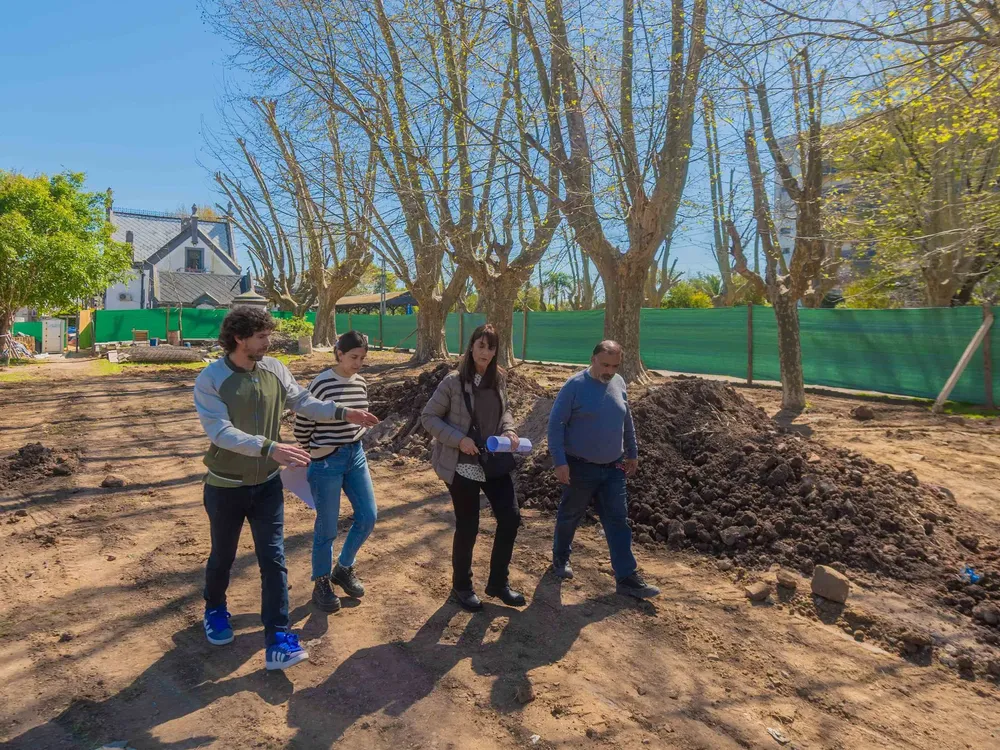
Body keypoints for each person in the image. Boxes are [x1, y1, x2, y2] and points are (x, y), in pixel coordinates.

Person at [193, 307, 379, 670]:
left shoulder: (275, 369)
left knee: (273, 558)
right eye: (261, 336)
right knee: (223, 555)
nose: (268, 342)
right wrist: (270, 447)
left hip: (266, 485)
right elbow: (219, 431)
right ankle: (215, 609)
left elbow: (303, 401)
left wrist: (343, 412)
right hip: (226, 485)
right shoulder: (211, 378)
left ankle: (278, 637)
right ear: (239, 338)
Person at [420, 324, 525, 611]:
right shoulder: (453, 381)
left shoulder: (498, 378)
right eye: (480, 345)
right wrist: (460, 440)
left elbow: (505, 413)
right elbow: (429, 417)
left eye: (491, 347)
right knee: (469, 526)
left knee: (511, 518)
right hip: (462, 463)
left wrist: (510, 431)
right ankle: (462, 587)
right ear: (471, 346)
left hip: (492, 461)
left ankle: (498, 584)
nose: (485, 352)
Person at [547, 340, 660, 599]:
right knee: (570, 515)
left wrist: (632, 452)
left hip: (614, 468)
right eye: (605, 364)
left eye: (614, 365)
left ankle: (626, 577)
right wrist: (560, 462)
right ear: (593, 358)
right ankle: (561, 557)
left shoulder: (619, 382)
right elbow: (556, 425)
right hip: (580, 468)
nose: (609, 370)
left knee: (618, 521)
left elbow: (626, 419)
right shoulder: (574, 386)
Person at [293, 330, 378, 613]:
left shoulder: (362, 382)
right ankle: (321, 581)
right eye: (353, 357)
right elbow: (302, 426)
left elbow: (359, 417)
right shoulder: (321, 383)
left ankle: (343, 568)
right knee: (327, 526)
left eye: (362, 358)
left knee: (367, 516)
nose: (358, 363)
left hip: (355, 456)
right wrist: (318, 451)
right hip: (326, 462)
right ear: (339, 353)